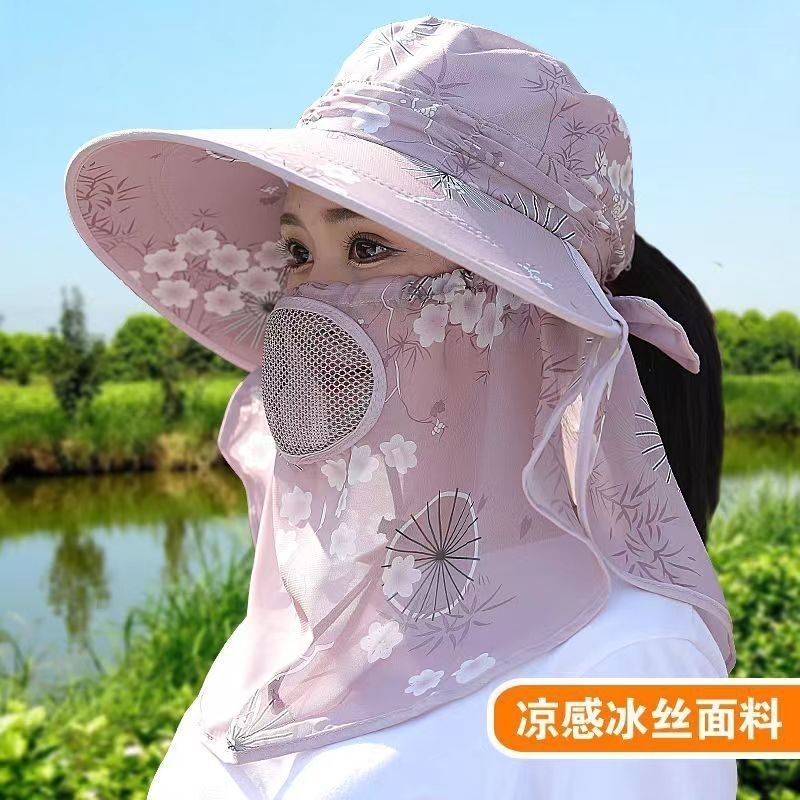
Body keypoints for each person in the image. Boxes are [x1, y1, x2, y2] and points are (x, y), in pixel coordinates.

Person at [63, 16, 737, 798]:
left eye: (368, 248)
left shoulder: (636, 660)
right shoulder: (311, 618)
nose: (313, 302)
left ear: (519, 307)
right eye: (297, 252)